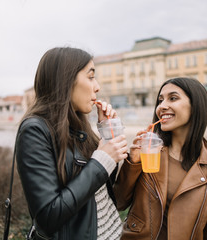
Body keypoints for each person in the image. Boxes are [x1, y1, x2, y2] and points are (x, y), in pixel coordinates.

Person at [16, 47, 128, 240]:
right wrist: (101, 162)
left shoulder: (77, 125)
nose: (97, 86)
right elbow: (48, 217)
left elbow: (104, 189)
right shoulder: (34, 131)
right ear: (66, 80)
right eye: (91, 77)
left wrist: (107, 134)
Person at [114, 77, 207, 240]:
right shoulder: (148, 152)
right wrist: (133, 163)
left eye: (173, 98)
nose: (162, 106)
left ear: (196, 105)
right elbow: (119, 202)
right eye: (160, 100)